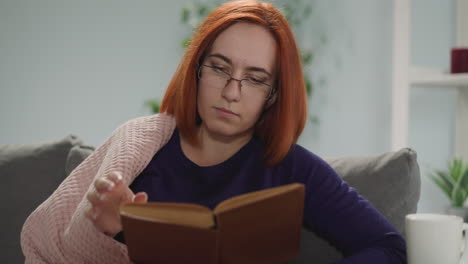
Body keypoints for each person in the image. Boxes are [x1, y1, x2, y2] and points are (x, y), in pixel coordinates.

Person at [21, 1, 407, 263]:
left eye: (254, 79)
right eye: (220, 68)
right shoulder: (141, 147)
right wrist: (110, 231)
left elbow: (388, 247)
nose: (231, 92)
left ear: (273, 95)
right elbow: (56, 248)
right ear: (197, 70)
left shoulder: (291, 168)